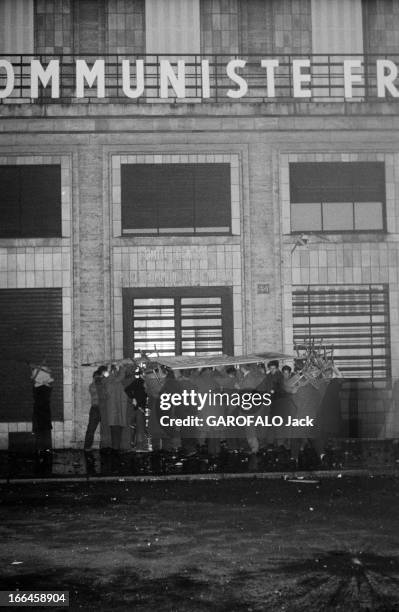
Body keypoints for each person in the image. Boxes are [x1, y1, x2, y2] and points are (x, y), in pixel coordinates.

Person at [30, 362, 54, 474]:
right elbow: (47, 383)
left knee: (40, 431)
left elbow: (37, 381)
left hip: (40, 413)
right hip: (43, 413)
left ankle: (41, 450)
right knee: (45, 432)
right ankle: (45, 450)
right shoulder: (44, 389)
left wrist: (39, 371)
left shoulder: (38, 389)